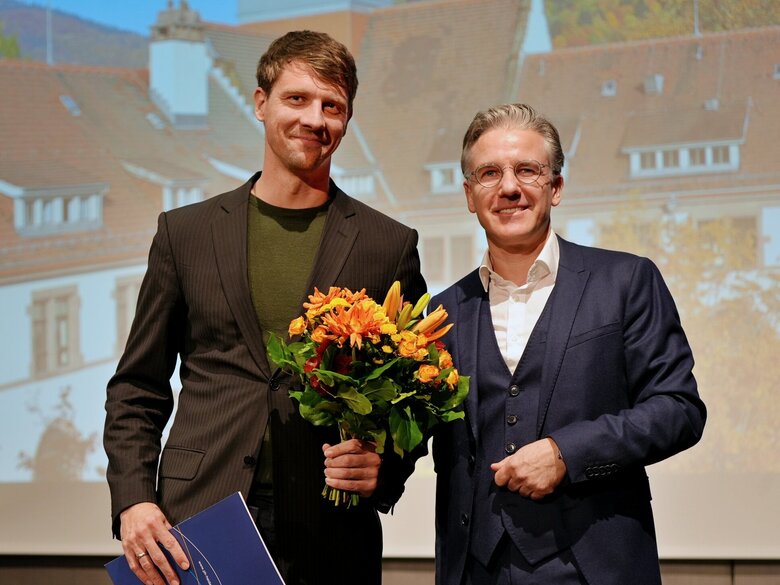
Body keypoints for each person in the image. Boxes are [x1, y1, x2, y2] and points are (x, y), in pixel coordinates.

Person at [104, 30, 426, 585]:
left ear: (347, 121)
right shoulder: (185, 233)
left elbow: (421, 391)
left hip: (331, 528)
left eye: (333, 106)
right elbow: (138, 388)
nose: (314, 119)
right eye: (296, 99)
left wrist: (385, 467)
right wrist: (133, 500)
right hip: (198, 521)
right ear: (260, 103)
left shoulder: (387, 244)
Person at [430, 103, 706, 585]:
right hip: (475, 570)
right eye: (489, 173)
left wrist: (566, 452)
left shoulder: (625, 280)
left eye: (528, 171)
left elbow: (678, 408)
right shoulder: (442, 312)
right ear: (469, 196)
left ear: (555, 187)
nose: (509, 187)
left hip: (594, 567)